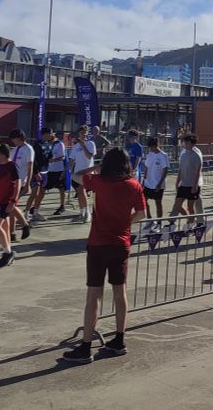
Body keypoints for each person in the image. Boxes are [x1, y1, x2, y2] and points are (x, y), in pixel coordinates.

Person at [62, 147, 147, 363]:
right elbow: (141, 213)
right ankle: (119, 339)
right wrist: (126, 223)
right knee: (120, 292)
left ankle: (86, 345)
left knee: (94, 294)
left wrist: (96, 166)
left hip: (98, 243)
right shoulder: (134, 185)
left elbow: (77, 175)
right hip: (121, 243)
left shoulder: (99, 182)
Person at [169, 134, 204, 222]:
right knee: (177, 205)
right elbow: (181, 169)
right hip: (184, 184)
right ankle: (191, 219)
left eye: (185, 142)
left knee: (190, 206)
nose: (184, 143)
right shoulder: (183, 154)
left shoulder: (197, 155)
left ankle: (192, 223)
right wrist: (177, 181)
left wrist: (195, 185)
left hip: (193, 185)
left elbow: (198, 172)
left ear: (191, 143)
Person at [68, 125, 97, 223]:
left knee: (82, 191)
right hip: (77, 173)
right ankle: (82, 213)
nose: (83, 135)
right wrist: (66, 171)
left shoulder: (90, 144)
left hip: (87, 173)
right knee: (79, 193)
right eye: (81, 133)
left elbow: (89, 156)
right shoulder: (75, 146)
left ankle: (87, 213)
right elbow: (71, 160)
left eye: (85, 134)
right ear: (79, 134)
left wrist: (83, 145)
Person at [141, 136, 169, 220]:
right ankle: (149, 218)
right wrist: (143, 181)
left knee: (158, 203)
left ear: (156, 145)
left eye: (151, 147)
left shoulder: (163, 156)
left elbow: (165, 170)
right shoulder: (150, 154)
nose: (150, 149)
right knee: (144, 201)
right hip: (148, 183)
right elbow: (147, 168)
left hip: (158, 184)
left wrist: (159, 184)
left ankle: (159, 221)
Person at [43, 128, 68, 216]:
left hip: (59, 170)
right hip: (49, 170)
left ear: (53, 134)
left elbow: (62, 157)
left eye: (50, 134)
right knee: (43, 188)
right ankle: (35, 207)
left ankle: (62, 206)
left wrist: (52, 160)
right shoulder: (47, 144)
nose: (49, 136)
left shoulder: (60, 144)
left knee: (62, 189)